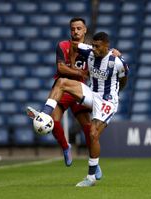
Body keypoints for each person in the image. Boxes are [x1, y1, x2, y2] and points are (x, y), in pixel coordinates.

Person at [27, 32, 129, 187]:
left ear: (106, 46)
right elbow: (74, 45)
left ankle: (91, 178)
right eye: (93, 45)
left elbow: (124, 78)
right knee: (61, 82)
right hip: (91, 93)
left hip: (107, 100)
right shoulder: (88, 50)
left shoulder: (117, 61)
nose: (94, 48)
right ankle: (44, 115)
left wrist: (115, 93)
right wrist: (74, 61)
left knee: (93, 133)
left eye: (97, 46)